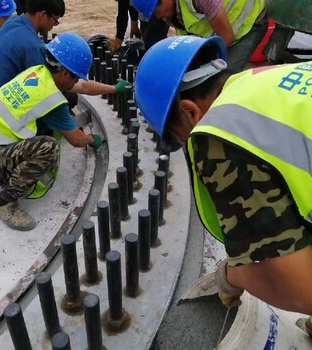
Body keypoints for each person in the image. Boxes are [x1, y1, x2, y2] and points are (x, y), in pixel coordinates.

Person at [134, 35, 312, 318]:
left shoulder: (221, 133)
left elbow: (304, 292)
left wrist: (232, 275)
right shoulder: (265, 79)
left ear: (190, 112)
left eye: (179, 140)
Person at [0, 32, 102, 232]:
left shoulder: (36, 73)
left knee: (47, 130)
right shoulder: (51, 99)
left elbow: (82, 86)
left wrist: (114, 89)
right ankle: (4, 204)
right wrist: (92, 139)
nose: (74, 84)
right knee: (48, 147)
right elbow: (77, 140)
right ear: (64, 73)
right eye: (75, 77)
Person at [0, 0, 128, 100]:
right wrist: (113, 89)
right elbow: (79, 85)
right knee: (67, 98)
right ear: (43, 14)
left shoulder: (14, 22)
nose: (55, 24)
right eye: (55, 19)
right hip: (4, 105)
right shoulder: (32, 47)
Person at [132, 0, 268, 73]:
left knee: (224, 73)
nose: (157, 17)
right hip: (225, 30)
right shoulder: (172, 13)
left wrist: (207, 65)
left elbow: (227, 37)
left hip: (250, 22)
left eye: (155, 12)